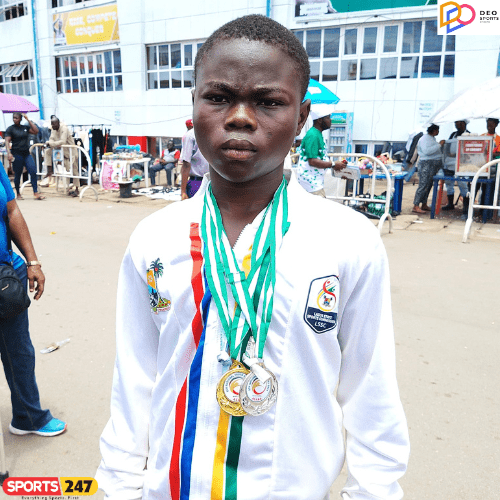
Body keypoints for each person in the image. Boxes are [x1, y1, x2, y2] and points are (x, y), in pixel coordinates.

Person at [96, 14, 409, 500]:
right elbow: (135, 378)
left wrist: (372, 491)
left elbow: (370, 388)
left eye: (268, 101)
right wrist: (119, 487)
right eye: (219, 96)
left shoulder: (346, 239)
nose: (240, 116)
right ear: (194, 103)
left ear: (302, 116)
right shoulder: (154, 238)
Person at [0, 160, 67, 437]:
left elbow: (11, 209)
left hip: (6, 276)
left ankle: (28, 416)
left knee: (20, 352)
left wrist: (32, 261)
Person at [296, 109, 347, 196]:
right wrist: (333, 164)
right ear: (319, 120)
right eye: (328, 118)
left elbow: (320, 158)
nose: (330, 120)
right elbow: (312, 161)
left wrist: (337, 168)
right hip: (311, 184)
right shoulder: (313, 135)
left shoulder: (317, 134)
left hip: (314, 182)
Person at [5, 113, 45, 201]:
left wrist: (28, 120)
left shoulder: (25, 128)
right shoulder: (10, 129)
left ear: (20, 119)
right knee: (18, 174)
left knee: (33, 170)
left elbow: (36, 131)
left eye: (16, 118)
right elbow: (7, 142)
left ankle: (35, 192)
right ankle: (18, 193)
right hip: (16, 154)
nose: (15, 119)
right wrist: (9, 153)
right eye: (13, 118)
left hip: (26, 154)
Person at [42, 116, 80, 196]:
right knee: (48, 151)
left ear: (58, 123)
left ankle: (77, 189)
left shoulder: (64, 129)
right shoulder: (53, 129)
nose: (53, 126)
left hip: (71, 152)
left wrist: (51, 143)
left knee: (74, 171)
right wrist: (51, 143)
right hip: (62, 152)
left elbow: (62, 141)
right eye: (51, 125)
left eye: (54, 124)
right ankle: (49, 170)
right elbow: (51, 139)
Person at [412, 124, 443, 214]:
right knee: (423, 184)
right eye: (437, 130)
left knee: (428, 185)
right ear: (433, 130)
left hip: (432, 165)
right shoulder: (425, 139)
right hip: (426, 164)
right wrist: (439, 145)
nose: (438, 132)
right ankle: (416, 205)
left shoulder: (431, 138)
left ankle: (424, 203)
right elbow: (427, 151)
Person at [441, 120, 469, 211]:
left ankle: (466, 206)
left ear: (464, 124)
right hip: (450, 163)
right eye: (456, 123)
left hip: (462, 164)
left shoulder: (468, 134)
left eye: (459, 123)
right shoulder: (453, 134)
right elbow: (447, 147)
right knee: (449, 183)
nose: (457, 125)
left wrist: (458, 154)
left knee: (462, 184)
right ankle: (450, 204)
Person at [180, 120, 209, 199]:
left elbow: (186, 164)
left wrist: (182, 191)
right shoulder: (215, 132)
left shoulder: (190, 135)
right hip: (213, 182)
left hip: (197, 182)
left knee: (196, 210)